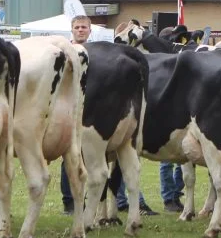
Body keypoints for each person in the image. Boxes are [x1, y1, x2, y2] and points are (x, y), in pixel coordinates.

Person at [60, 14, 156, 216]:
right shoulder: (65, 53)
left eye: (83, 27)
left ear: (89, 30)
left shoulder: (100, 56)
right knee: (68, 158)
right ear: (72, 30)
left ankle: (105, 203)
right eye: (77, 27)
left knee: (104, 158)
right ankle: (69, 200)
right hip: (73, 115)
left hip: (94, 116)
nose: (80, 30)